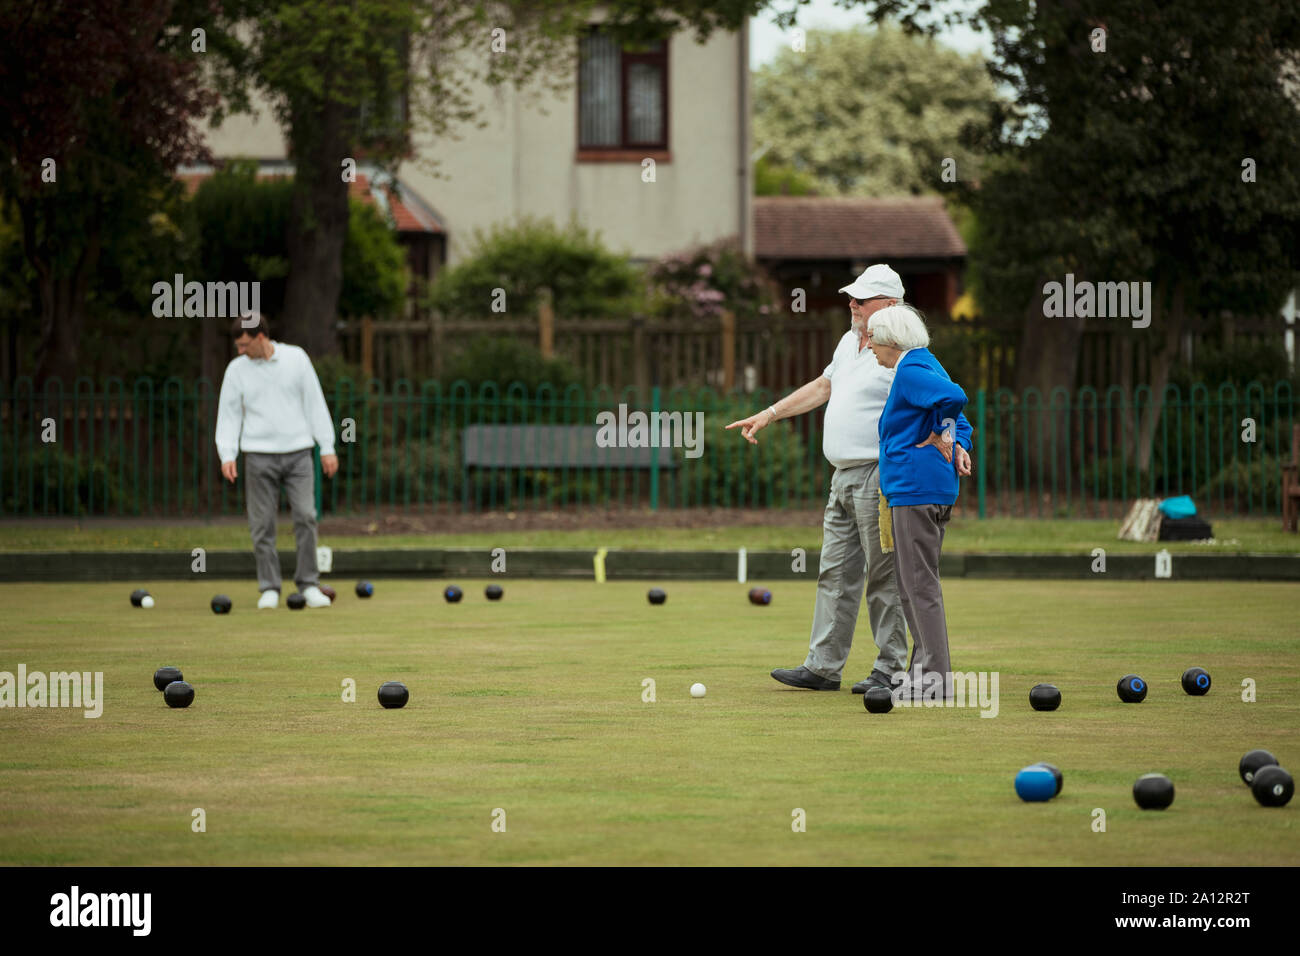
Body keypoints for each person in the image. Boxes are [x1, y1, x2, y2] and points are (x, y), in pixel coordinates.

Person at [728, 264, 960, 692]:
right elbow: (823, 386)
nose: (851, 304)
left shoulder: (903, 350)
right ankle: (823, 666)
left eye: (862, 299)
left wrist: (952, 439)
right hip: (842, 475)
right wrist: (771, 413)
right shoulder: (850, 341)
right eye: (851, 297)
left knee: (883, 574)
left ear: (890, 305)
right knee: (834, 570)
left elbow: (949, 399)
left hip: (880, 474)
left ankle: (890, 668)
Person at [865, 304, 972, 701]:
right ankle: (920, 672)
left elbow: (954, 398)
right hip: (933, 488)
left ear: (891, 340)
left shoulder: (910, 370)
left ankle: (934, 681)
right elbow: (957, 415)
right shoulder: (928, 362)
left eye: (873, 338)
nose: (869, 345)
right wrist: (952, 438)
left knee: (917, 585)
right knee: (914, 584)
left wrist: (941, 436)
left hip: (915, 488)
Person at [215, 313, 338, 609]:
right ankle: (269, 588)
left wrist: (327, 446)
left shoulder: (296, 359)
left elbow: (314, 402)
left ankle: (309, 585)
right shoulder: (236, 370)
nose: (241, 351)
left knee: (306, 517)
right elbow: (229, 415)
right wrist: (227, 454)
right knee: (261, 525)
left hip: (299, 454)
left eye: (245, 345)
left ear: (261, 337)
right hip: (258, 455)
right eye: (238, 346)